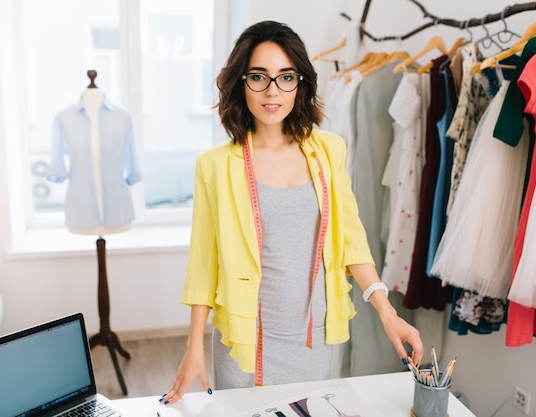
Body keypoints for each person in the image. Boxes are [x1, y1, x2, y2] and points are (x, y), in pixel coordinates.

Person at [160, 20, 423, 406]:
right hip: (244, 342)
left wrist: (386, 312)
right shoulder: (215, 166)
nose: (272, 91)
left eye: (286, 77)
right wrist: (193, 347)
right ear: (240, 82)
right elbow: (204, 264)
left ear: (301, 82)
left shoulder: (329, 151)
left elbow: (352, 240)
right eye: (258, 77)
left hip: (311, 338)